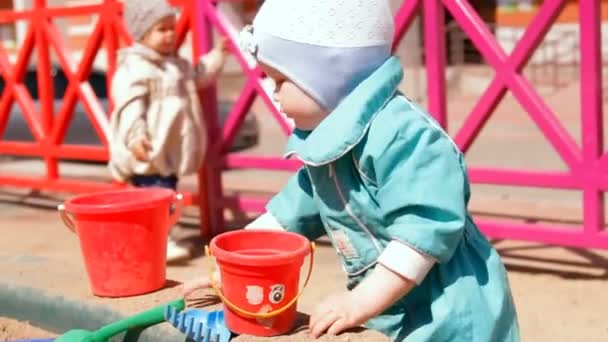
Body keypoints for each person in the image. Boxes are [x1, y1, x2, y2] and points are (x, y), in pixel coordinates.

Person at [185, 0, 520, 340]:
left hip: (450, 313)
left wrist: (360, 301)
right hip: (390, 312)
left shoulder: (403, 135)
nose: (272, 91)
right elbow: (288, 217)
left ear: (326, 75)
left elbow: (423, 230)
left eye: (280, 79)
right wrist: (229, 273)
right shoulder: (330, 144)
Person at [108, 0, 229, 262]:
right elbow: (129, 106)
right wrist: (135, 136)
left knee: (165, 197)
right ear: (142, 33)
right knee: (157, 200)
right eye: (161, 30)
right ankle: (158, 241)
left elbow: (199, 74)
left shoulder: (176, 65)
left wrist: (217, 55)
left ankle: (153, 240)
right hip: (150, 150)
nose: (170, 35)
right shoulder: (135, 67)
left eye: (171, 28)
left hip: (170, 150)